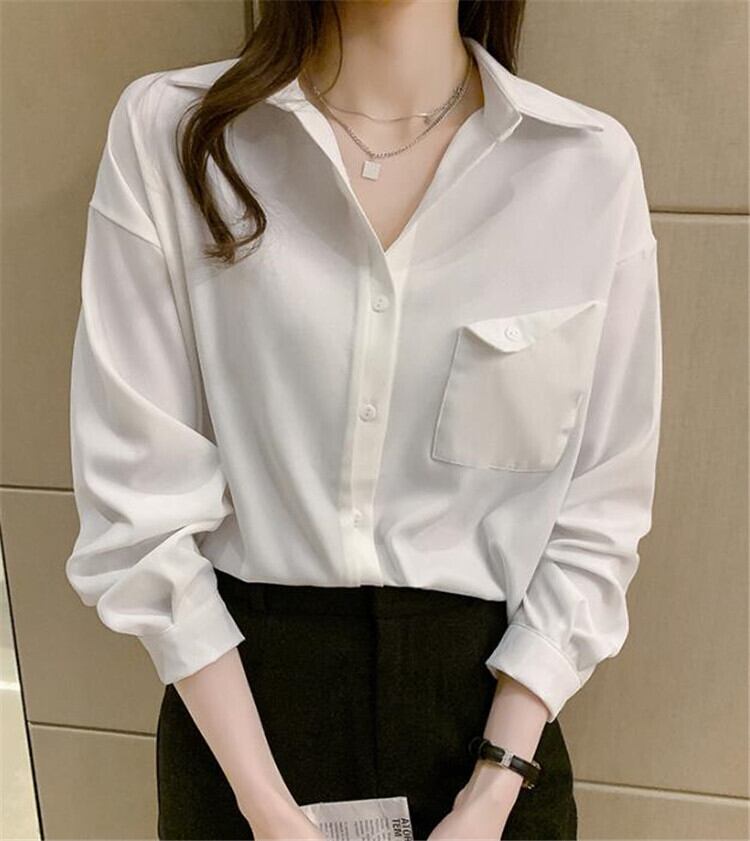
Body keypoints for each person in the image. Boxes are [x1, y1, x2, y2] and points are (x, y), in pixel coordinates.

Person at [65, 1, 662, 840]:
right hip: (239, 716)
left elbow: (600, 511)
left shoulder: (585, 167)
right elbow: (139, 500)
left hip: (492, 736)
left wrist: (492, 793)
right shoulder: (173, 134)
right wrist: (265, 806)